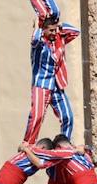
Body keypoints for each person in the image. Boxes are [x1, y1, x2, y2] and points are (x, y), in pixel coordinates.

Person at [24, 15, 80, 143]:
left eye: (55, 30)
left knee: (68, 117)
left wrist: (59, 25)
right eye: (51, 30)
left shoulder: (59, 40)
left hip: (56, 85)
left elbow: (75, 32)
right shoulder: (39, 44)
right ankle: (28, 144)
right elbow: (34, 39)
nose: (54, 33)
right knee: (37, 116)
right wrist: (37, 26)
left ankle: (64, 143)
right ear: (44, 30)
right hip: (41, 85)